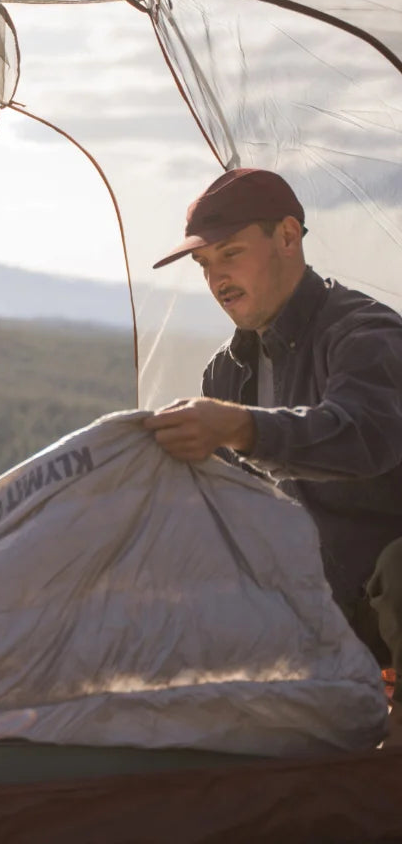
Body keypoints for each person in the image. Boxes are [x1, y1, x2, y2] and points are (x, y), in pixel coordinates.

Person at [142, 167, 402, 742]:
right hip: (304, 611)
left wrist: (239, 428)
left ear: (288, 237)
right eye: (205, 266)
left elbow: (363, 436)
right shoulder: (227, 372)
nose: (218, 279)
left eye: (230, 254)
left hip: (384, 606)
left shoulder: (366, 334)